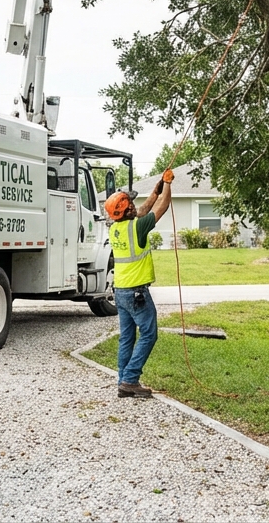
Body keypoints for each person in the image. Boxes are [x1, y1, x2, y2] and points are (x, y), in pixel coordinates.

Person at [102, 168, 173, 399]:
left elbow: (143, 210)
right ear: (126, 210)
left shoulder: (117, 228)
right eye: (129, 204)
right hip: (136, 292)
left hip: (120, 291)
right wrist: (168, 185)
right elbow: (161, 208)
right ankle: (130, 379)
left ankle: (123, 380)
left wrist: (155, 190)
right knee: (149, 334)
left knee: (127, 337)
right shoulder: (138, 227)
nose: (134, 205)